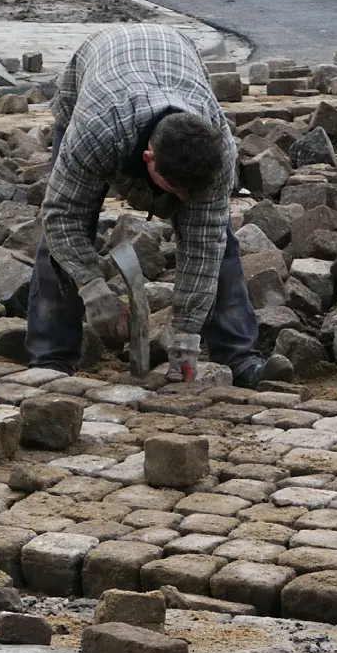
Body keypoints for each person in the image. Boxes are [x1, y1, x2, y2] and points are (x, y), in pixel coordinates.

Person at [25, 24, 294, 387]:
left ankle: (239, 357)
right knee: (66, 235)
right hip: (99, 77)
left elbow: (202, 247)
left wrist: (185, 342)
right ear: (149, 158)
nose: (181, 204)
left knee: (218, 242)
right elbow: (61, 215)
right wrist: (92, 288)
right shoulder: (95, 131)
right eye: (175, 192)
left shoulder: (219, 150)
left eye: (189, 195)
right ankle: (51, 359)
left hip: (172, 60)